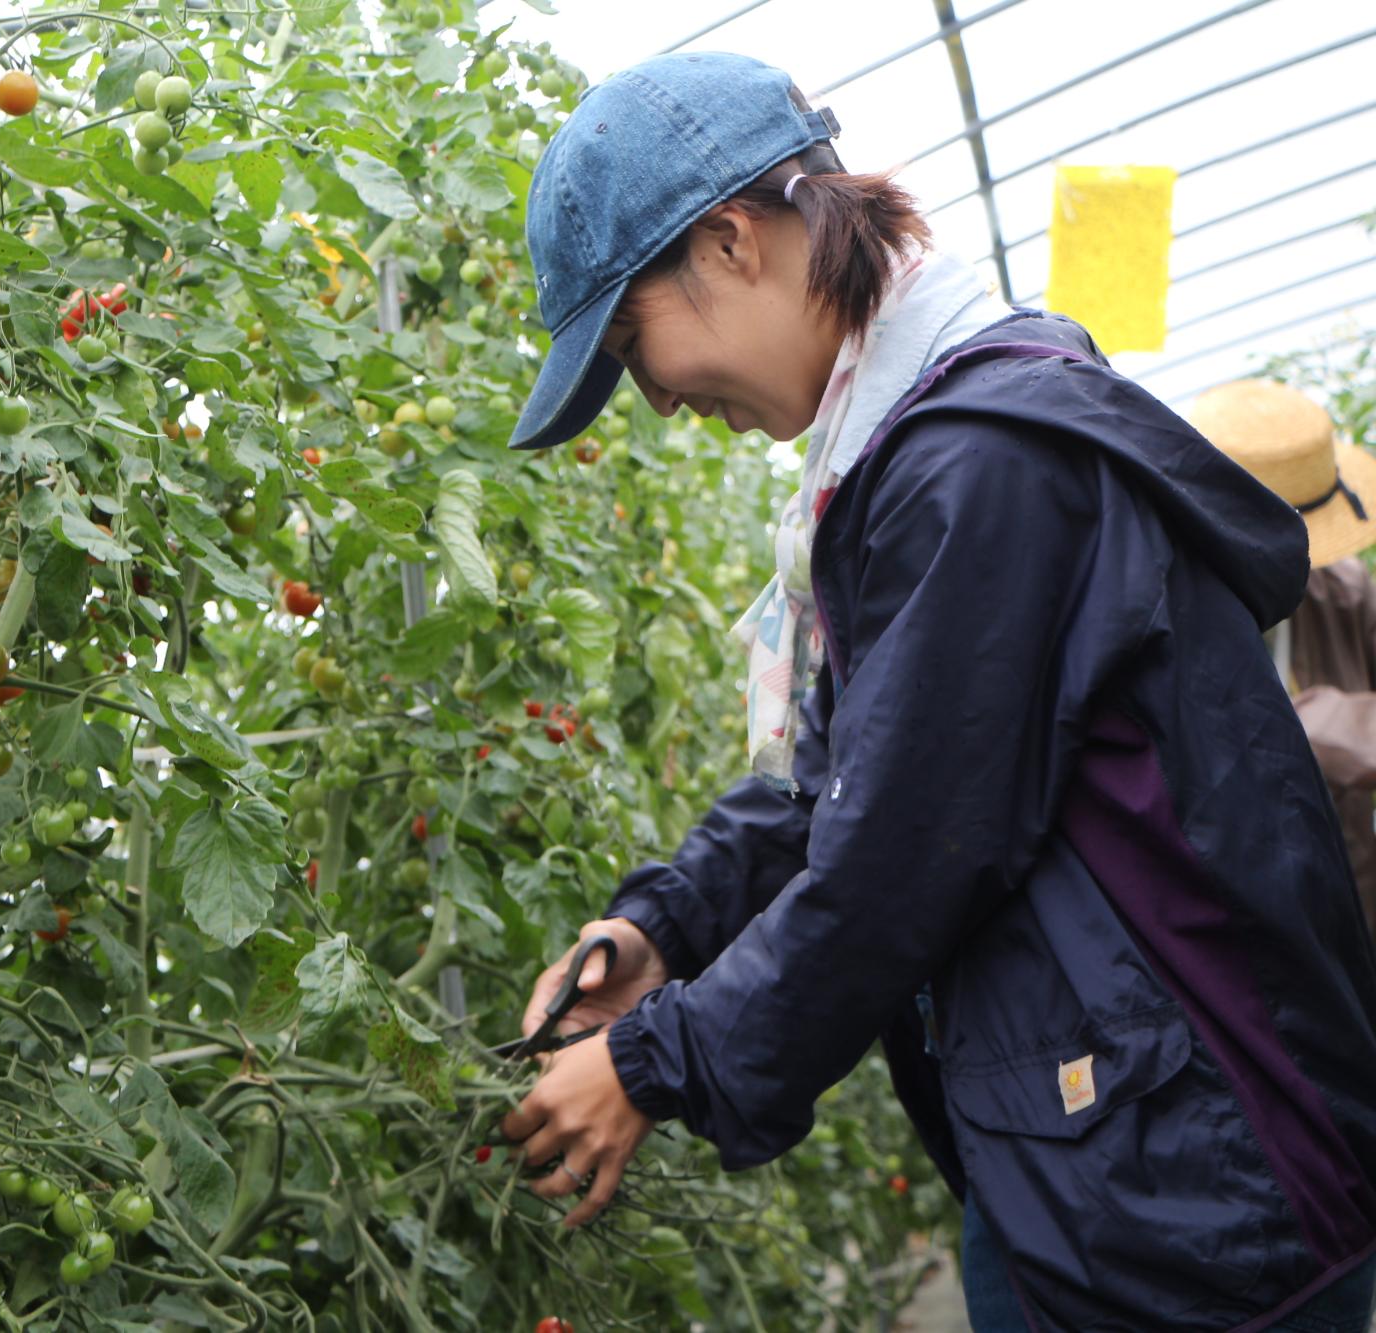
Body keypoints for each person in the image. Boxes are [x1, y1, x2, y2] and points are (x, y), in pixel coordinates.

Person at [495, 51, 1376, 1333]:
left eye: (633, 346)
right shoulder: (907, 455)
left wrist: (647, 1062)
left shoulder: (977, 469)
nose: (661, 399)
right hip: (1103, 1153)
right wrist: (666, 926)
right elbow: (842, 784)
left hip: (1194, 1191)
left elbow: (899, 853)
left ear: (733, 243)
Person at [1188, 378, 1376, 949]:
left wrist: (1328, 722)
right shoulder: (1168, 624)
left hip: (1358, 898)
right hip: (1245, 935)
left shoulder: (1341, 593)